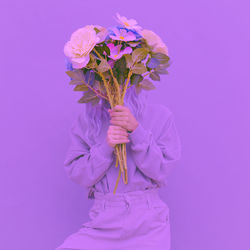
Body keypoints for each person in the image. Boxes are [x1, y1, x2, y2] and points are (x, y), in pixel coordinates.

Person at [55, 84, 182, 250]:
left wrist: (137, 131)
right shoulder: (86, 122)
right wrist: (105, 148)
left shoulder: (160, 116)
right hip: (104, 220)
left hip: (149, 223)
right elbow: (79, 174)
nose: (108, 82)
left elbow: (161, 170)